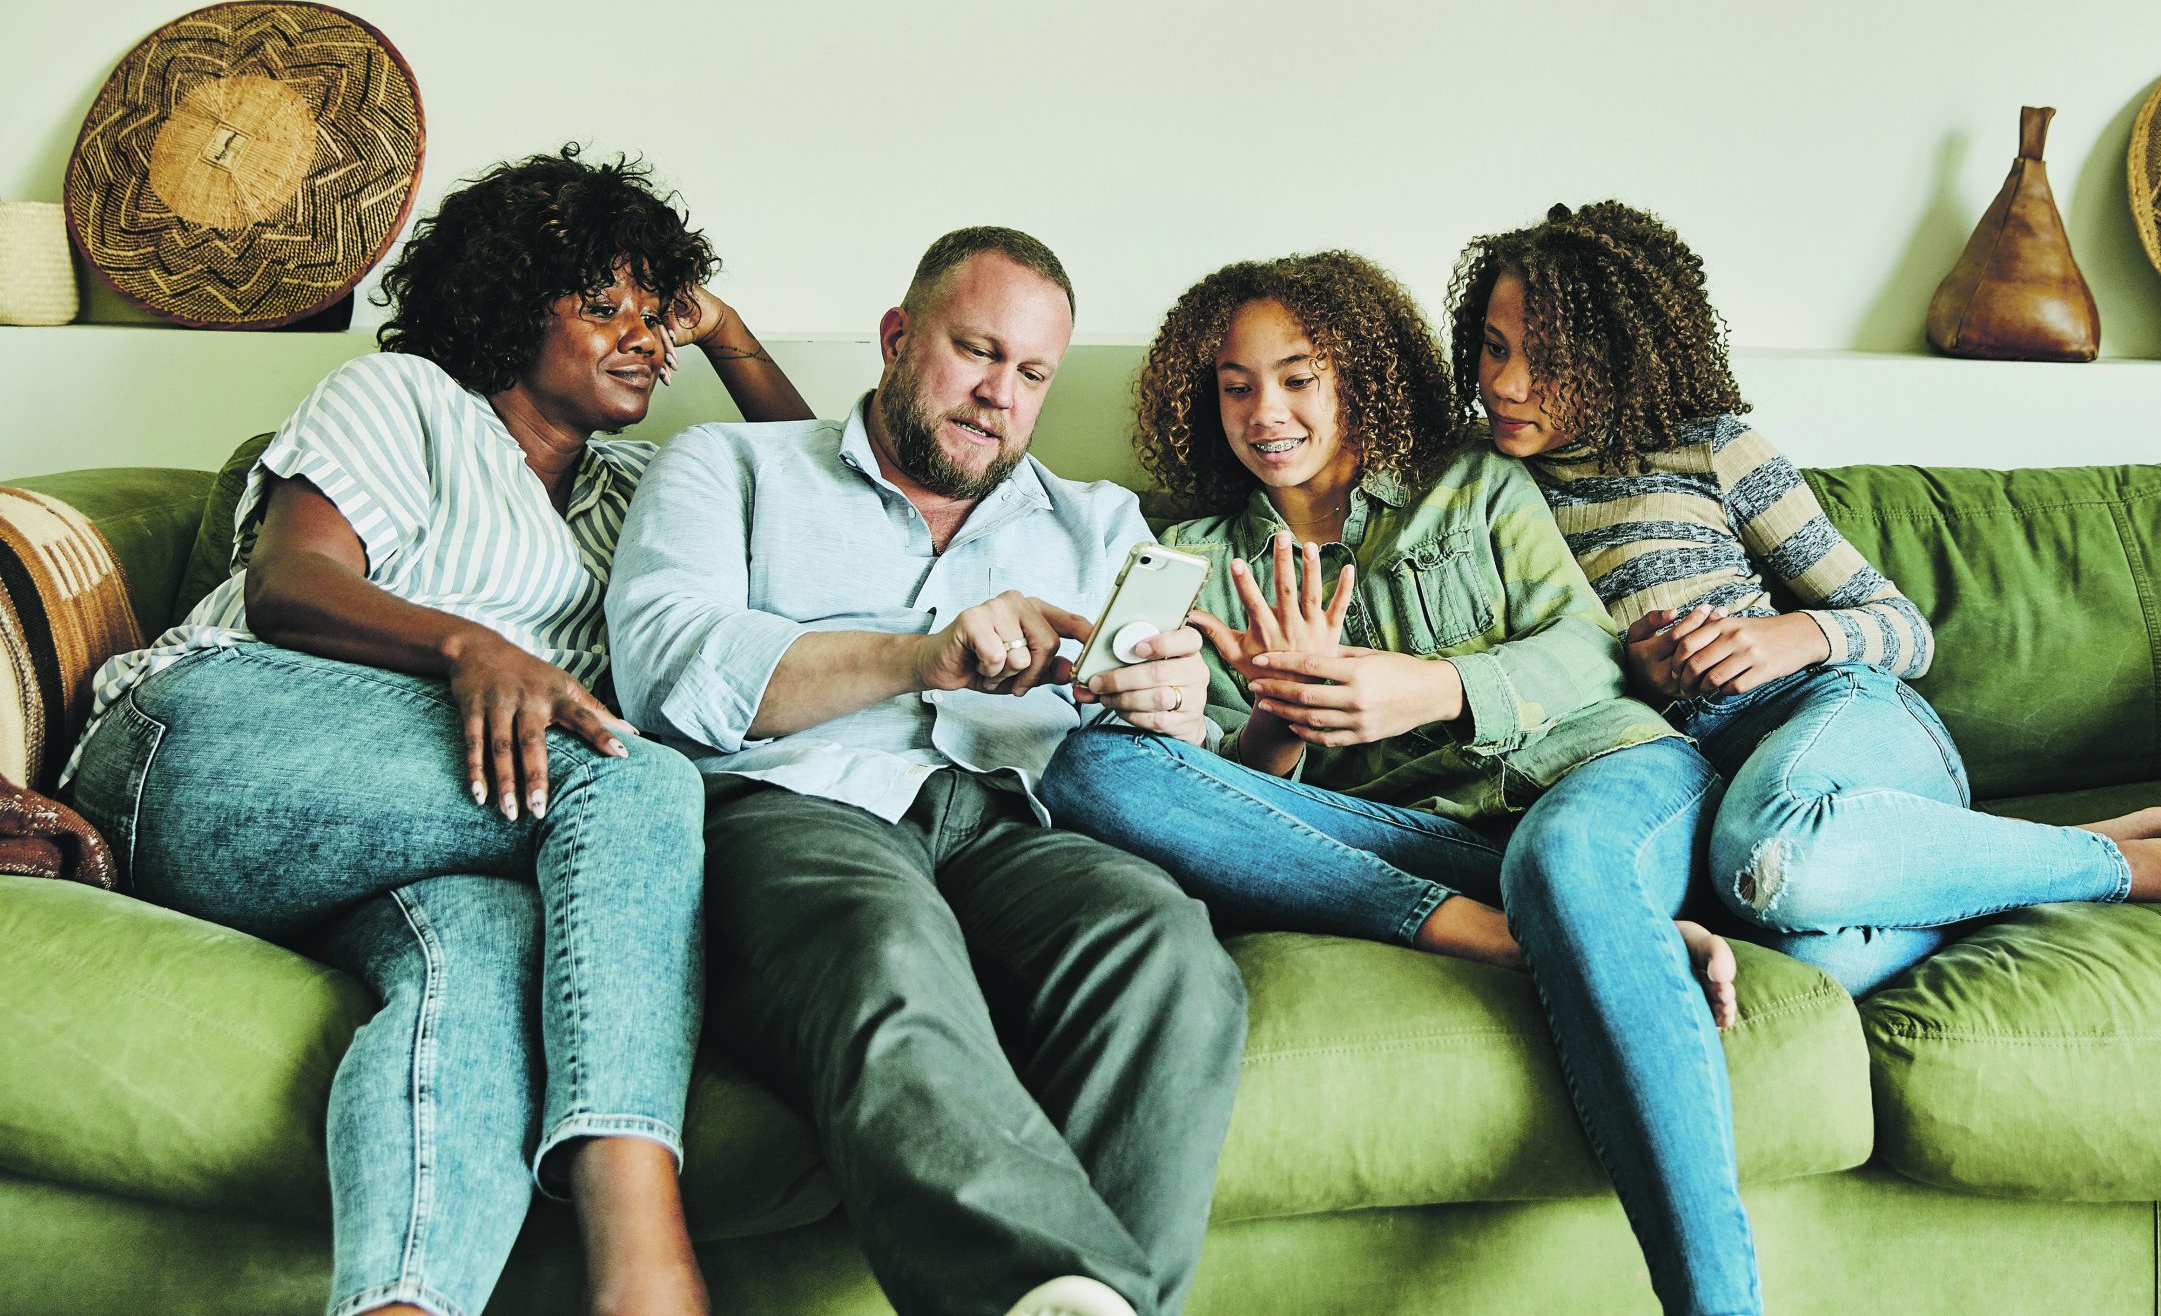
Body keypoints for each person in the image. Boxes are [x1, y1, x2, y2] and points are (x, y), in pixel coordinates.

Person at [65, 145, 816, 1316]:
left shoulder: (645, 492)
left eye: (658, 313)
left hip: (430, 830)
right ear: (514, 303)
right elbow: (289, 584)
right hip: (209, 742)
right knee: (631, 777)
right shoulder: (405, 397)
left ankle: (401, 1300)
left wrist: (725, 330)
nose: (646, 338)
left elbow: (818, 505)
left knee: (484, 954)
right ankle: (643, 1258)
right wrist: (466, 645)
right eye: (603, 302)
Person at [1037, 251, 1763, 1316]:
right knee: (1089, 764)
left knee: (1565, 859)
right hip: (1420, 846)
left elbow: (1593, 656)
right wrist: (1281, 722)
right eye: (1234, 385)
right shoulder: (1189, 555)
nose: (1264, 411)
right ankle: (1530, 928)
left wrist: (1432, 689)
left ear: (1360, 374)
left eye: (1296, 377)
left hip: (1596, 778)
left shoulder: (1471, 484)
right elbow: (1234, 804)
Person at [1447, 200, 2161, 998]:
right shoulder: (1480, 490)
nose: (1506, 384)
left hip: (1834, 717)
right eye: (1494, 347)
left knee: (1773, 855)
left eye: (1551, 361)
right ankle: (2003, 859)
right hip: (1700, 780)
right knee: (1808, 966)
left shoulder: (1712, 448)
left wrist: (1788, 637)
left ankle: (2135, 866)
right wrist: (1636, 673)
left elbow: (1902, 630)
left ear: (1627, 355)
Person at [603, 227, 1246, 1316]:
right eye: (977, 351)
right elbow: (665, 674)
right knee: (883, 945)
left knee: (1168, 946)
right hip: (799, 812)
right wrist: (918, 657)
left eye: (1032, 373)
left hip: (1017, 827)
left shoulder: (1102, 524)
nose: (1001, 393)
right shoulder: (730, 465)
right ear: (899, 338)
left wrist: (1169, 708)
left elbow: (1183, 754)